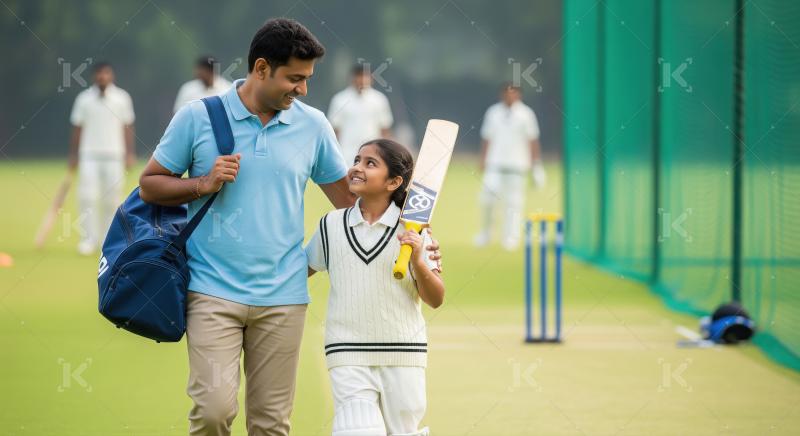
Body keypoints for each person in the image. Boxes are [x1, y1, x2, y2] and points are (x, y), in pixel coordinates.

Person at [138, 19, 440, 436]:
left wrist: (410, 233)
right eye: (294, 79)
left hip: (284, 295)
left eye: (307, 79)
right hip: (211, 289)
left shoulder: (312, 125)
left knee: (271, 424)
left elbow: (354, 205)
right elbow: (150, 184)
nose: (302, 90)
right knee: (213, 410)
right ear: (262, 69)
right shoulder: (197, 118)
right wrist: (201, 184)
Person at [306, 139, 443, 436]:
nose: (356, 167)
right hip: (347, 352)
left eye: (370, 163)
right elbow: (297, 273)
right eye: (357, 160)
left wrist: (419, 261)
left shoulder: (415, 230)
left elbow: (435, 298)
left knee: (403, 431)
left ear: (394, 181)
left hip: (404, 353)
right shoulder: (330, 225)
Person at [68, 62, 135, 256]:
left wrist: (130, 152)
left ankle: (109, 239)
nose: (102, 77)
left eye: (106, 73)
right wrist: (73, 155)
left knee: (112, 200)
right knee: (87, 197)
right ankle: (88, 239)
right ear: (94, 77)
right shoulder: (84, 99)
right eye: (99, 74)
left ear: (111, 75)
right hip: (89, 155)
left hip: (115, 155)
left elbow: (128, 126)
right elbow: (78, 128)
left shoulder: (122, 98)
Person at [474, 83, 545, 250]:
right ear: (502, 94)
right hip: (495, 164)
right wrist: (483, 160)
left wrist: (536, 165)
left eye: (513, 94)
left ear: (519, 95)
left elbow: (533, 140)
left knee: (513, 204)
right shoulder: (493, 112)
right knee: (487, 199)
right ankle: (485, 234)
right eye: (506, 93)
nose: (509, 96)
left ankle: (510, 238)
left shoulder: (526, 114)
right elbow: (486, 138)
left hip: (517, 166)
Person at [327, 64, 393, 165]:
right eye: (359, 76)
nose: (362, 80)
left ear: (371, 79)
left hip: (373, 153)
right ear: (352, 78)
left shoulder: (379, 99)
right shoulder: (340, 99)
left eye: (365, 76)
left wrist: (387, 153)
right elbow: (335, 131)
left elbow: (384, 129)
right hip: (346, 154)